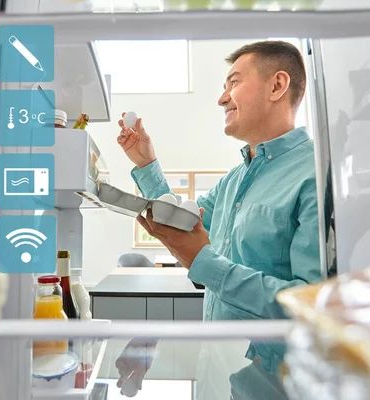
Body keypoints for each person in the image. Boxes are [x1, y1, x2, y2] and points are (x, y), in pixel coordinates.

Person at [115, 40, 322, 396]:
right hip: (214, 378)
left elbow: (308, 309)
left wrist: (203, 261)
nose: (222, 98)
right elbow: (181, 219)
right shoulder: (233, 180)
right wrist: (147, 164)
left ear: (277, 85)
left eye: (234, 82)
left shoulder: (315, 175)